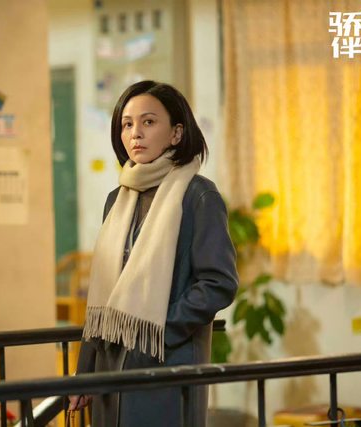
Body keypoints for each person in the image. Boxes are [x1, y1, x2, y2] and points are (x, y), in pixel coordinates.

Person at [68, 80, 238, 426]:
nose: (136, 133)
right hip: (110, 369)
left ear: (176, 133)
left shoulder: (198, 196)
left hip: (166, 362)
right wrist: (84, 372)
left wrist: (159, 329)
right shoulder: (117, 201)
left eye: (148, 122)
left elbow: (218, 283)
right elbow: (103, 295)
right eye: (127, 124)